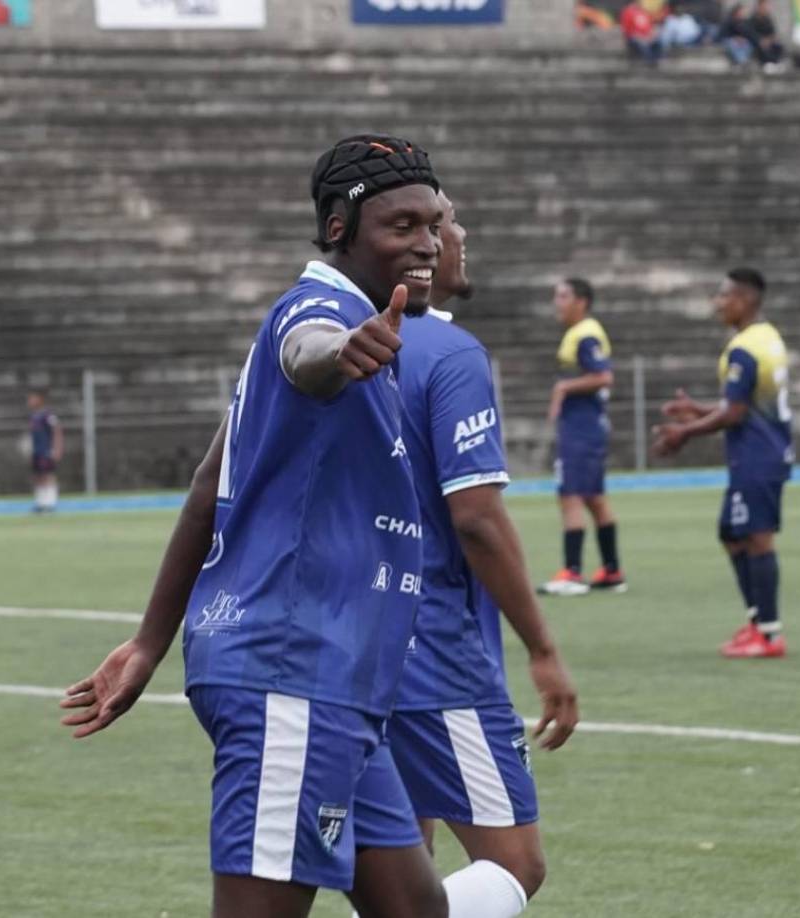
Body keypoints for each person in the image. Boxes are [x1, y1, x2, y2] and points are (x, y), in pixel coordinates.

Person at [59, 135, 461, 918]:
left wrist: (149, 641)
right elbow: (308, 353)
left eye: (435, 222)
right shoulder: (323, 311)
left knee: (417, 909)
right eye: (401, 223)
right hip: (292, 671)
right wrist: (342, 352)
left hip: (335, 680)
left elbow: (212, 484)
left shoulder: (373, 322)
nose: (425, 242)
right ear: (339, 227)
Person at [357, 191, 579, 918]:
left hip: (349, 642)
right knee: (515, 865)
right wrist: (543, 649)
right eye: (443, 221)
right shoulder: (449, 355)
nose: (458, 232)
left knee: (402, 870)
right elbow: (477, 518)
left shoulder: (338, 342)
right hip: (434, 656)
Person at [653, 268, 792, 659]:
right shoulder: (766, 337)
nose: (718, 302)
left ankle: (769, 633)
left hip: (757, 456)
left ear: (746, 300)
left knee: (757, 536)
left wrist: (686, 432)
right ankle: (757, 621)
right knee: (732, 531)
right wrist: (697, 410)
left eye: (725, 295)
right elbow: (740, 406)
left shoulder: (745, 348)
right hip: (759, 451)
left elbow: (733, 414)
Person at [538, 278, 626, 595]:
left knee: (570, 494)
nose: (557, 303)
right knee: (593, 497)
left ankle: (572, 573)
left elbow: (603, 376)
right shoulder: (582, 332)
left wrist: (563, 388)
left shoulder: (586, 334)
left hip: (582, 427)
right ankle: (612, 570)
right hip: (586, 425)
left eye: (563, 296)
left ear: (582, 301)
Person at [27, 388, 63, 512]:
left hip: (46, 451)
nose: (30, 401)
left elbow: (56, 431)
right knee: (38, 476)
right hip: (37, 451)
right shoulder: (33, 416)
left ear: (39, 399)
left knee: (48, 475)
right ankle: (40, 503)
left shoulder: (48, 415)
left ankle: (50, 503)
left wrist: (57, 449)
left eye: (32, 398)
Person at [621, 1, 663, 65]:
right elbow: (627, 30)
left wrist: (652, 35)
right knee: (643, 44)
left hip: (646, 36)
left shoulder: (644, 12)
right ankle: (650, 61)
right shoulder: (627, 12)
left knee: (658, 41)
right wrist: (640, 37)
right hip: (634, 37)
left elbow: (650, 26)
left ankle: (657, 60)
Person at [749, 0, 785, 73]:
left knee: (779, 46)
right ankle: (767, 63)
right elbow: (751, 32)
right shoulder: (753, 19)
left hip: (769, 40)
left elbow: (772, 32)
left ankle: (776, 62)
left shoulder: (768, 19)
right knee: (763, 47)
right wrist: (761, 40)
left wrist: (771, 39)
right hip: (758, 41)